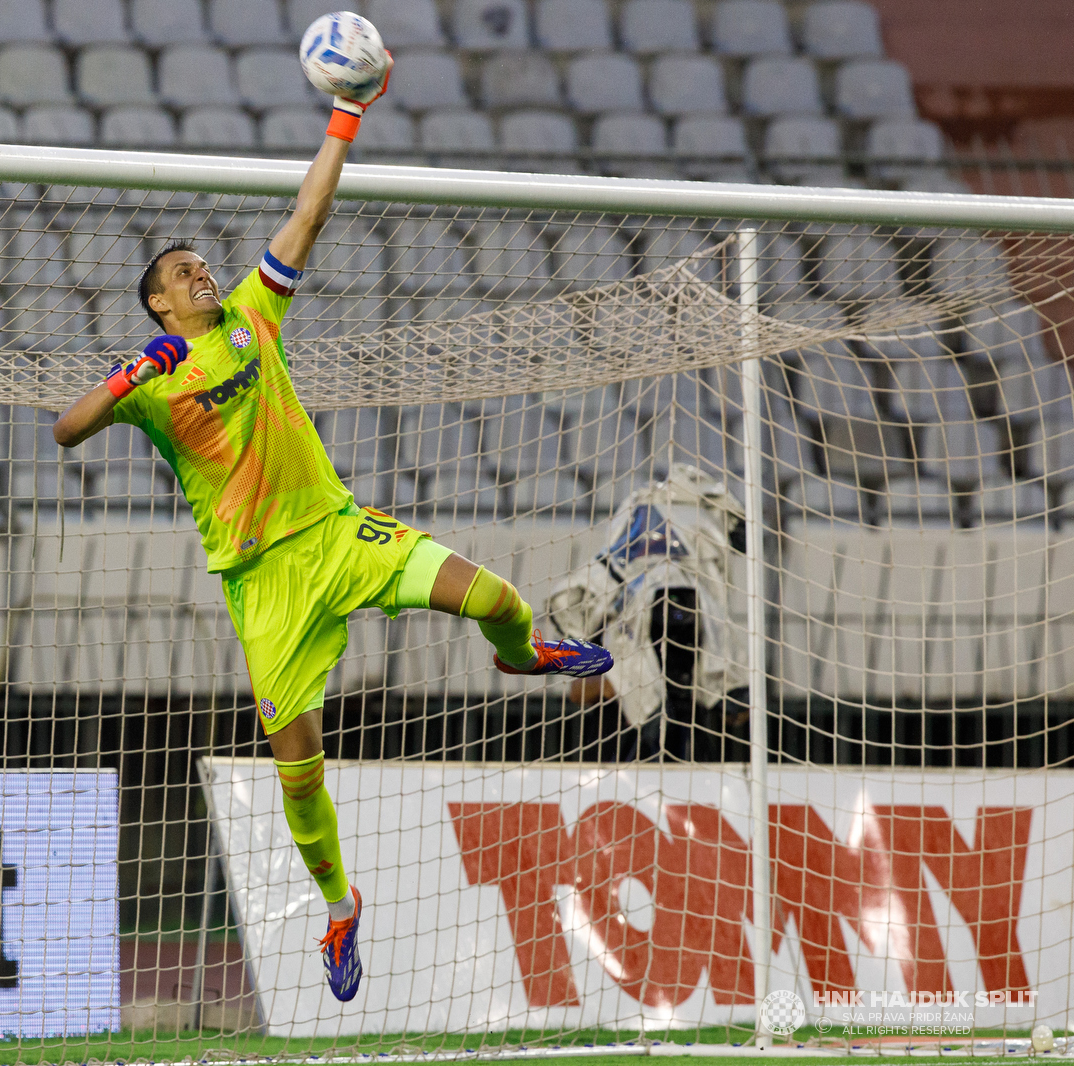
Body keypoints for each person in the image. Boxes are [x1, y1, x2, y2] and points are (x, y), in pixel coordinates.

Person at [52, 67, 612, 1004]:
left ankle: (522, 656)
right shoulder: (149, 385)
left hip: (339, 531)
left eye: (202, 265)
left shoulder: (252, 320)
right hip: (263, 582)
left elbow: (306, 217)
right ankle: (339, 902)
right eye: (183, 274)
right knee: (298, 771)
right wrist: (124, 377)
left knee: (497, 599)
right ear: (159, 304)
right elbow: (66, 431)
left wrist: (346, 116)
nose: (201, 274)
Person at [544, 464, 752, 762]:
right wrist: (623, 679)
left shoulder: (710, 642)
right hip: (620, 750)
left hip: (684, 745)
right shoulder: (613, 616)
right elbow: (578, 692)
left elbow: (738, 710)